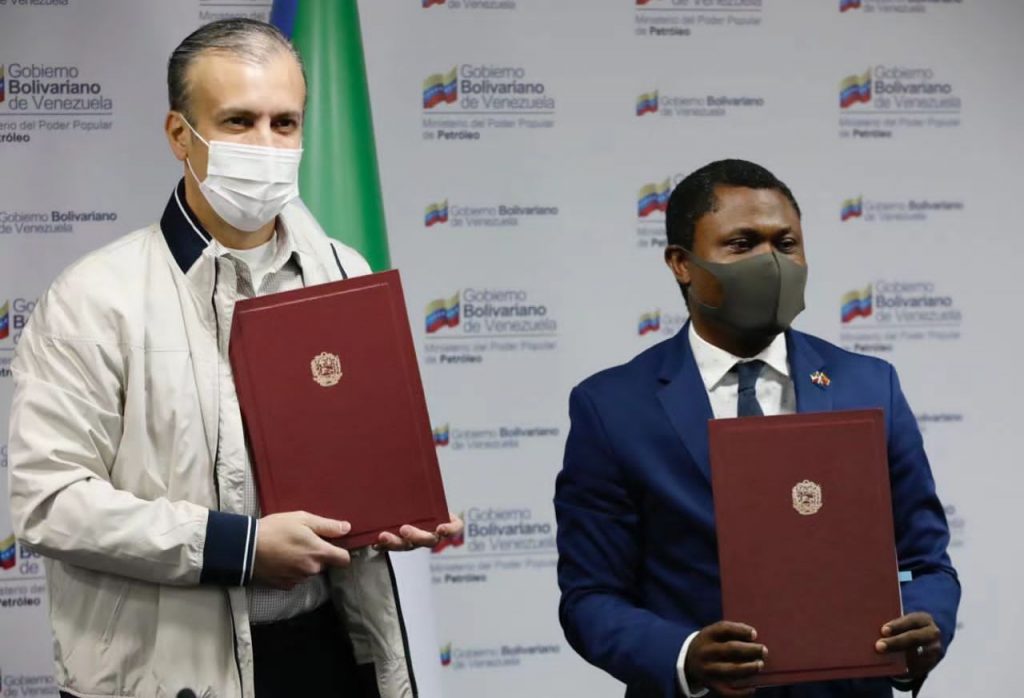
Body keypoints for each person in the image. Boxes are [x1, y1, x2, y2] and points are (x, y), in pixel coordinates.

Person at [7, 18, 461, 698]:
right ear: (179, 135)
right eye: (239, 122)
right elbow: (49, 501)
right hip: (167, 674)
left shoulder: (344, 272)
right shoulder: (96, 297)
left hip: (326, 654)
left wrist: (396, 509)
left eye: (285, 123)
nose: (266, 145)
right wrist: (237, 549)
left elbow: (354, 456)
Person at [554, 159, 959, 698]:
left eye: (786, 244)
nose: (772, 263)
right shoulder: (612, 407)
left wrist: (921, 632)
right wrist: (684, 654)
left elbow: (926, 562)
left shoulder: (870, 385)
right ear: (681, 263)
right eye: (742, 244)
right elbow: (590, 597)